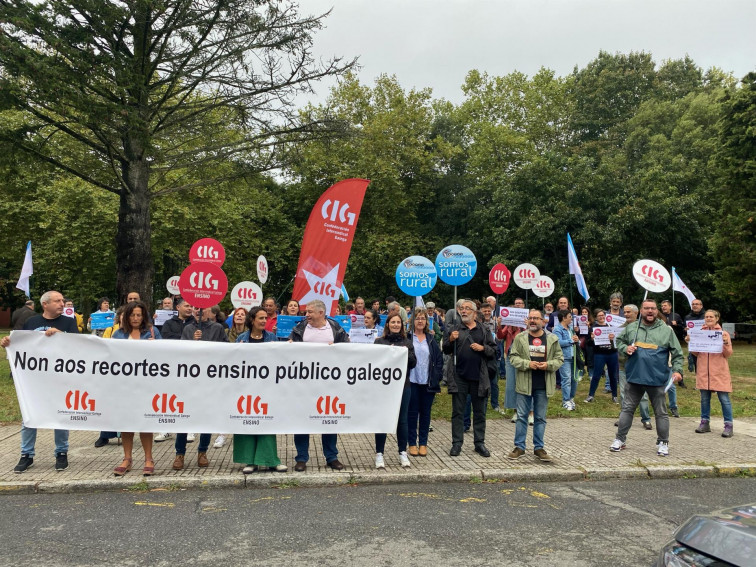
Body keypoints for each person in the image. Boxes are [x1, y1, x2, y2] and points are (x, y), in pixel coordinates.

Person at [2, 290, 78, 473]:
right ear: (45, 304)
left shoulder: (69, 322)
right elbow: (22, 345)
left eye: (62, 301)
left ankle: (61, 453)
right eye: (58, 301)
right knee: (30, 415)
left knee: (60, 415)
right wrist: (8, 342)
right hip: (35, 380)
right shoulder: (32, 322)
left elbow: (78, 345)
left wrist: (61, 334)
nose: (62, 303)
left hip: (60, 378)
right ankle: (26, 455)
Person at [613, 299, 683, 456]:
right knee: (627, 409)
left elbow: (678, 353)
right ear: (641, 311)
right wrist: (626, 348)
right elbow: (618, 342)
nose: (650, 311)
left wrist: (678, 371)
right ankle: (620, 439)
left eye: (653, 308)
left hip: (657, 379)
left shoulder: (666, 330)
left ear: (657, 311)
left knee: (661, 412)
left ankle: (663, 442)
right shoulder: (632, 328)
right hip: (634, 378)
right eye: (646, 308)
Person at [289, 299, 349, 472]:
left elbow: (348, 350)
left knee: (329, 419)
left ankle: (331, 457)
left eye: (309, 312)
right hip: (304, 384)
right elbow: (288, 353)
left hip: (329, 384)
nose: (306, 314)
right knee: (302, 420)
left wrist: (339, 348)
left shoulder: (335, 329)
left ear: (321, 313)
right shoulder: (299, 329)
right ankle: (301, 458)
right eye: (306, 312)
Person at [173, 305, 228, 470]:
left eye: (203, 309)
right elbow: (181, 352)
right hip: (190, 379)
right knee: (184, 417)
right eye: (196, 308)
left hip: (210, 379)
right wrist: (193, 342)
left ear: (210, 312)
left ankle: (202, 452)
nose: (199, 311)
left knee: (206, 418)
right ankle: (179, 453)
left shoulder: (217, 328)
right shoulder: (188, 328)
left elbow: (225, 350)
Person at [234, 306, 287, 472]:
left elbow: (279, 360)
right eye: (261, 318)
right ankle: (250, 461)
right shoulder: (242, 338)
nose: (264, 321)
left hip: (266, 388)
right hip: (246, 388)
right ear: (252, 320)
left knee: (267, 422)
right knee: (247, 422)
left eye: (265, 318)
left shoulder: (271, 337)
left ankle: (270, 460)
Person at [111, 300, 161, 476]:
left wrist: (158, 346)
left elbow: (165, 356)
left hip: (147, 385)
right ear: (126, 316)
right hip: (125, 385)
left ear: (144, 316)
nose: (136, 318)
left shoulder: (153, 332)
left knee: (145, 421)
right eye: (132, 314)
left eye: (139, 315)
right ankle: (127, 458)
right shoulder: (118, 334)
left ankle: (149, 458)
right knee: (126, 422)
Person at [507, 309, 563, 461]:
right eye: (530, 318)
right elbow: (512, 357)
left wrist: (548, 365)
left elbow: (559, 359)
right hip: (524, 383)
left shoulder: (552, 338)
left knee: (540, 418)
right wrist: (527, 363)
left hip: (543, 384)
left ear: (543, 321)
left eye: (536, 318)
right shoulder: (520, 338)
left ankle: (539, 448)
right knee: (521, 417)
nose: (533, 320)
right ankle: (519, 447)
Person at [443, 299, 496, 458]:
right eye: (462, 309)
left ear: (474, 312)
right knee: (457, 412)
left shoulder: (483, 329)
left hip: (479, 377)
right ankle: (456, 443)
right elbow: (445, 349)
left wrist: (482, 348)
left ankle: (479, 443)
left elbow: (493, 350)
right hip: (459, 376)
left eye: (467, 309)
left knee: (480, 412)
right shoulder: (455, 329)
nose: (463, 311)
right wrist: (451, 340)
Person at [373, 313, 417, 468]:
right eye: (393, 322)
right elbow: (374, 363)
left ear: (402, 325)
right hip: (383, 387)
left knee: (402, 420)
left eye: (398, 322)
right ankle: (379, 453)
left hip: (403, 386)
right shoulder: (379, 342)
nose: (396, 325)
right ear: (388, 325)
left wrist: (403, 352)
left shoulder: (407, 342)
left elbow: (413, 363)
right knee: (383, 419)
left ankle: (402, 452)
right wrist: (388, 352)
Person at [688, 310, 734, 438]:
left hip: (719, 372)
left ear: (717, 318)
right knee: (704, 399)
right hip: (704, 372)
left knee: (724, 399)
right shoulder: (699, 333)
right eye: (706, 316)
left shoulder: (723, 334)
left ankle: (728, 425)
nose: (708, 318)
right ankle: (704, 423)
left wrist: (725, 342)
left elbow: (728, 354)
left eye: (711, 316)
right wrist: (690, 342)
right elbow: (696, 353)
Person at [406, 308, 443, 461]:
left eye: (423, 318)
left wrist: (437, 376)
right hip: (412, 381)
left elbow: (438, 360)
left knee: (425, 413)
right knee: (412, 413)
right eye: (417, 318)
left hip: (427, 382)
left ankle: (423, 443)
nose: (420, 321)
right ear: (412, 321)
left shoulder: (431, 339)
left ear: (427, 322)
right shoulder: (408, 338)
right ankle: (412, 443)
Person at [615, 305, 652, 430]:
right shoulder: (620, 328)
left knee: (643, 395)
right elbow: (617, 344)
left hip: (640, 366)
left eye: (628, 312)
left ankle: (646, 419)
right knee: (624, 393)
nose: (626, 314)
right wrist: (611, 340)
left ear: (636, 313)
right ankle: (623, 418)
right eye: (624, 312)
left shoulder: (643, 327)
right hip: (623, 365)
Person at [497, 298, 528, 421]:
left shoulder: (527, 322)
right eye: (515, 304)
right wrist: (499, 325)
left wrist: (526, 326)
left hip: (524, 357)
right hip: (510, 357)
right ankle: (515, 411)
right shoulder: (509, 324)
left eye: (520, 304)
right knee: (511, 385)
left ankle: (527, 412)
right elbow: (500, 336)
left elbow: (532, 335)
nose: (518, 305)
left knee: (524, 384)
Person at [585, 309, 619, 404]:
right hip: (599, 354)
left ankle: (615, 396)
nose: (601, 317)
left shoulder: (611, 326)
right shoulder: (593, 328)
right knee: (596, 375)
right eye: (599, 315)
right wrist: (592, 339)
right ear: (596, 317)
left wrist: (613, 338)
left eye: (603, 315)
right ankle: (591, 395)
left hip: (612, 353)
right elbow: (588, 343)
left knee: (613, 375)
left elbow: (618, 339)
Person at [553, 310, 579, 410]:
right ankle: (566, 400)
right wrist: (572, 341)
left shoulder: (571, 329)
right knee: (566, 379)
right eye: (569, 316)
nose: (571, 318)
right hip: (565, 357)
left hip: (574, 357)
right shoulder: (557, 329)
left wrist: (577, 340)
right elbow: (558, 342)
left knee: (574, 379)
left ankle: (571, 398)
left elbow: (575, 341)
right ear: (564, 318)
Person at [685, 299, 705, 373]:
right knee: (697, 365)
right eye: (693, 304)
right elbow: (685, 331)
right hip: (694, 344)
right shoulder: (688, 317)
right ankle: (699, 383)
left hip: (706, 344)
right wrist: (685, 330)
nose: (695, 306)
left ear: (701, 306)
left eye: (697, 304)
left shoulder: (706, 316)